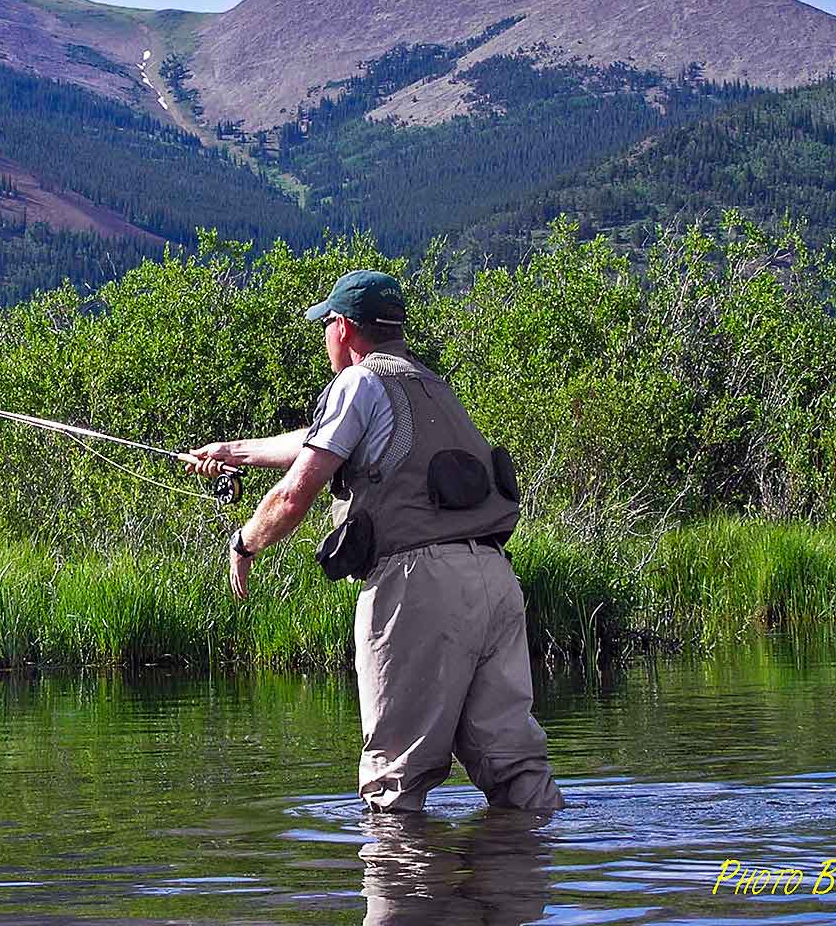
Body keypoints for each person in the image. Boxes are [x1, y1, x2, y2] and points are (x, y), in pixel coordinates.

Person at [185, 270, 565, 814]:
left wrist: (244, 543)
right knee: (517, 772)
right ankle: (526, 885)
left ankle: (400, 893)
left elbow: (296, 494)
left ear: (343, 327)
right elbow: (318, 440)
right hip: (495, 582)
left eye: (327, 325)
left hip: (418, 587)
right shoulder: (430, 383)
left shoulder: (357, 383)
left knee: (395, 782)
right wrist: (232, 451)